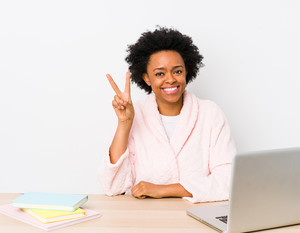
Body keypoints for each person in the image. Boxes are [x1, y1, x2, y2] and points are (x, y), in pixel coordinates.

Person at [98, 27, 236, 203]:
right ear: (147, 78)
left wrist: (163, 190)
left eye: (177, 71)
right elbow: (112, 187)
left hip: (197, 217)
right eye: (160, 74)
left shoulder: (210, 114)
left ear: (187, 71)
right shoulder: (135, 115)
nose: (170, 79)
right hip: (145, 219)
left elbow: (229, 181)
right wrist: (125, 124)